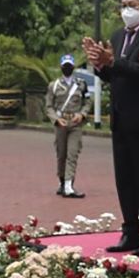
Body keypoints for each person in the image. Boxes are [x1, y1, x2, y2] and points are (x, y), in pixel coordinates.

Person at [83, 0, 139, 256]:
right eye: (123, 5)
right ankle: (131, 231)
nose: (126, 11)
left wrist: (113, 62)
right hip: (121, 117)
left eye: (131, 5)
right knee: (125, 179)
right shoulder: (118, 36)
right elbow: (116, 74)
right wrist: (100, 65)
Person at [45, 53, 89, 199]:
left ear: (73, 67)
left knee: (73, 153)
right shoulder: (54, 85)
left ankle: (69, 185)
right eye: (65, 66)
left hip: (75, 123)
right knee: (61, 154)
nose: (68, 69)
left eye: (70, 66)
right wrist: (56, 119)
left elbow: (87, 102)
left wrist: (82, 114)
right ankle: (62, 182)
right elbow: (48, 106)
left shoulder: (81, 84)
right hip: (61, 123)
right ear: (61, 68)